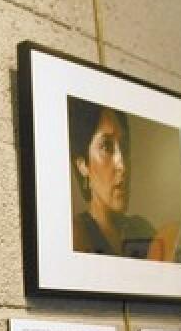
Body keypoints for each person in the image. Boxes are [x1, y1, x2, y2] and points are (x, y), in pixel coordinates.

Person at [68, 96, 165, 259]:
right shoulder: (76, 236)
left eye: (124, 146)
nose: (122, 166)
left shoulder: (142, 230)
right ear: (82, 165)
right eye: (106, 146)